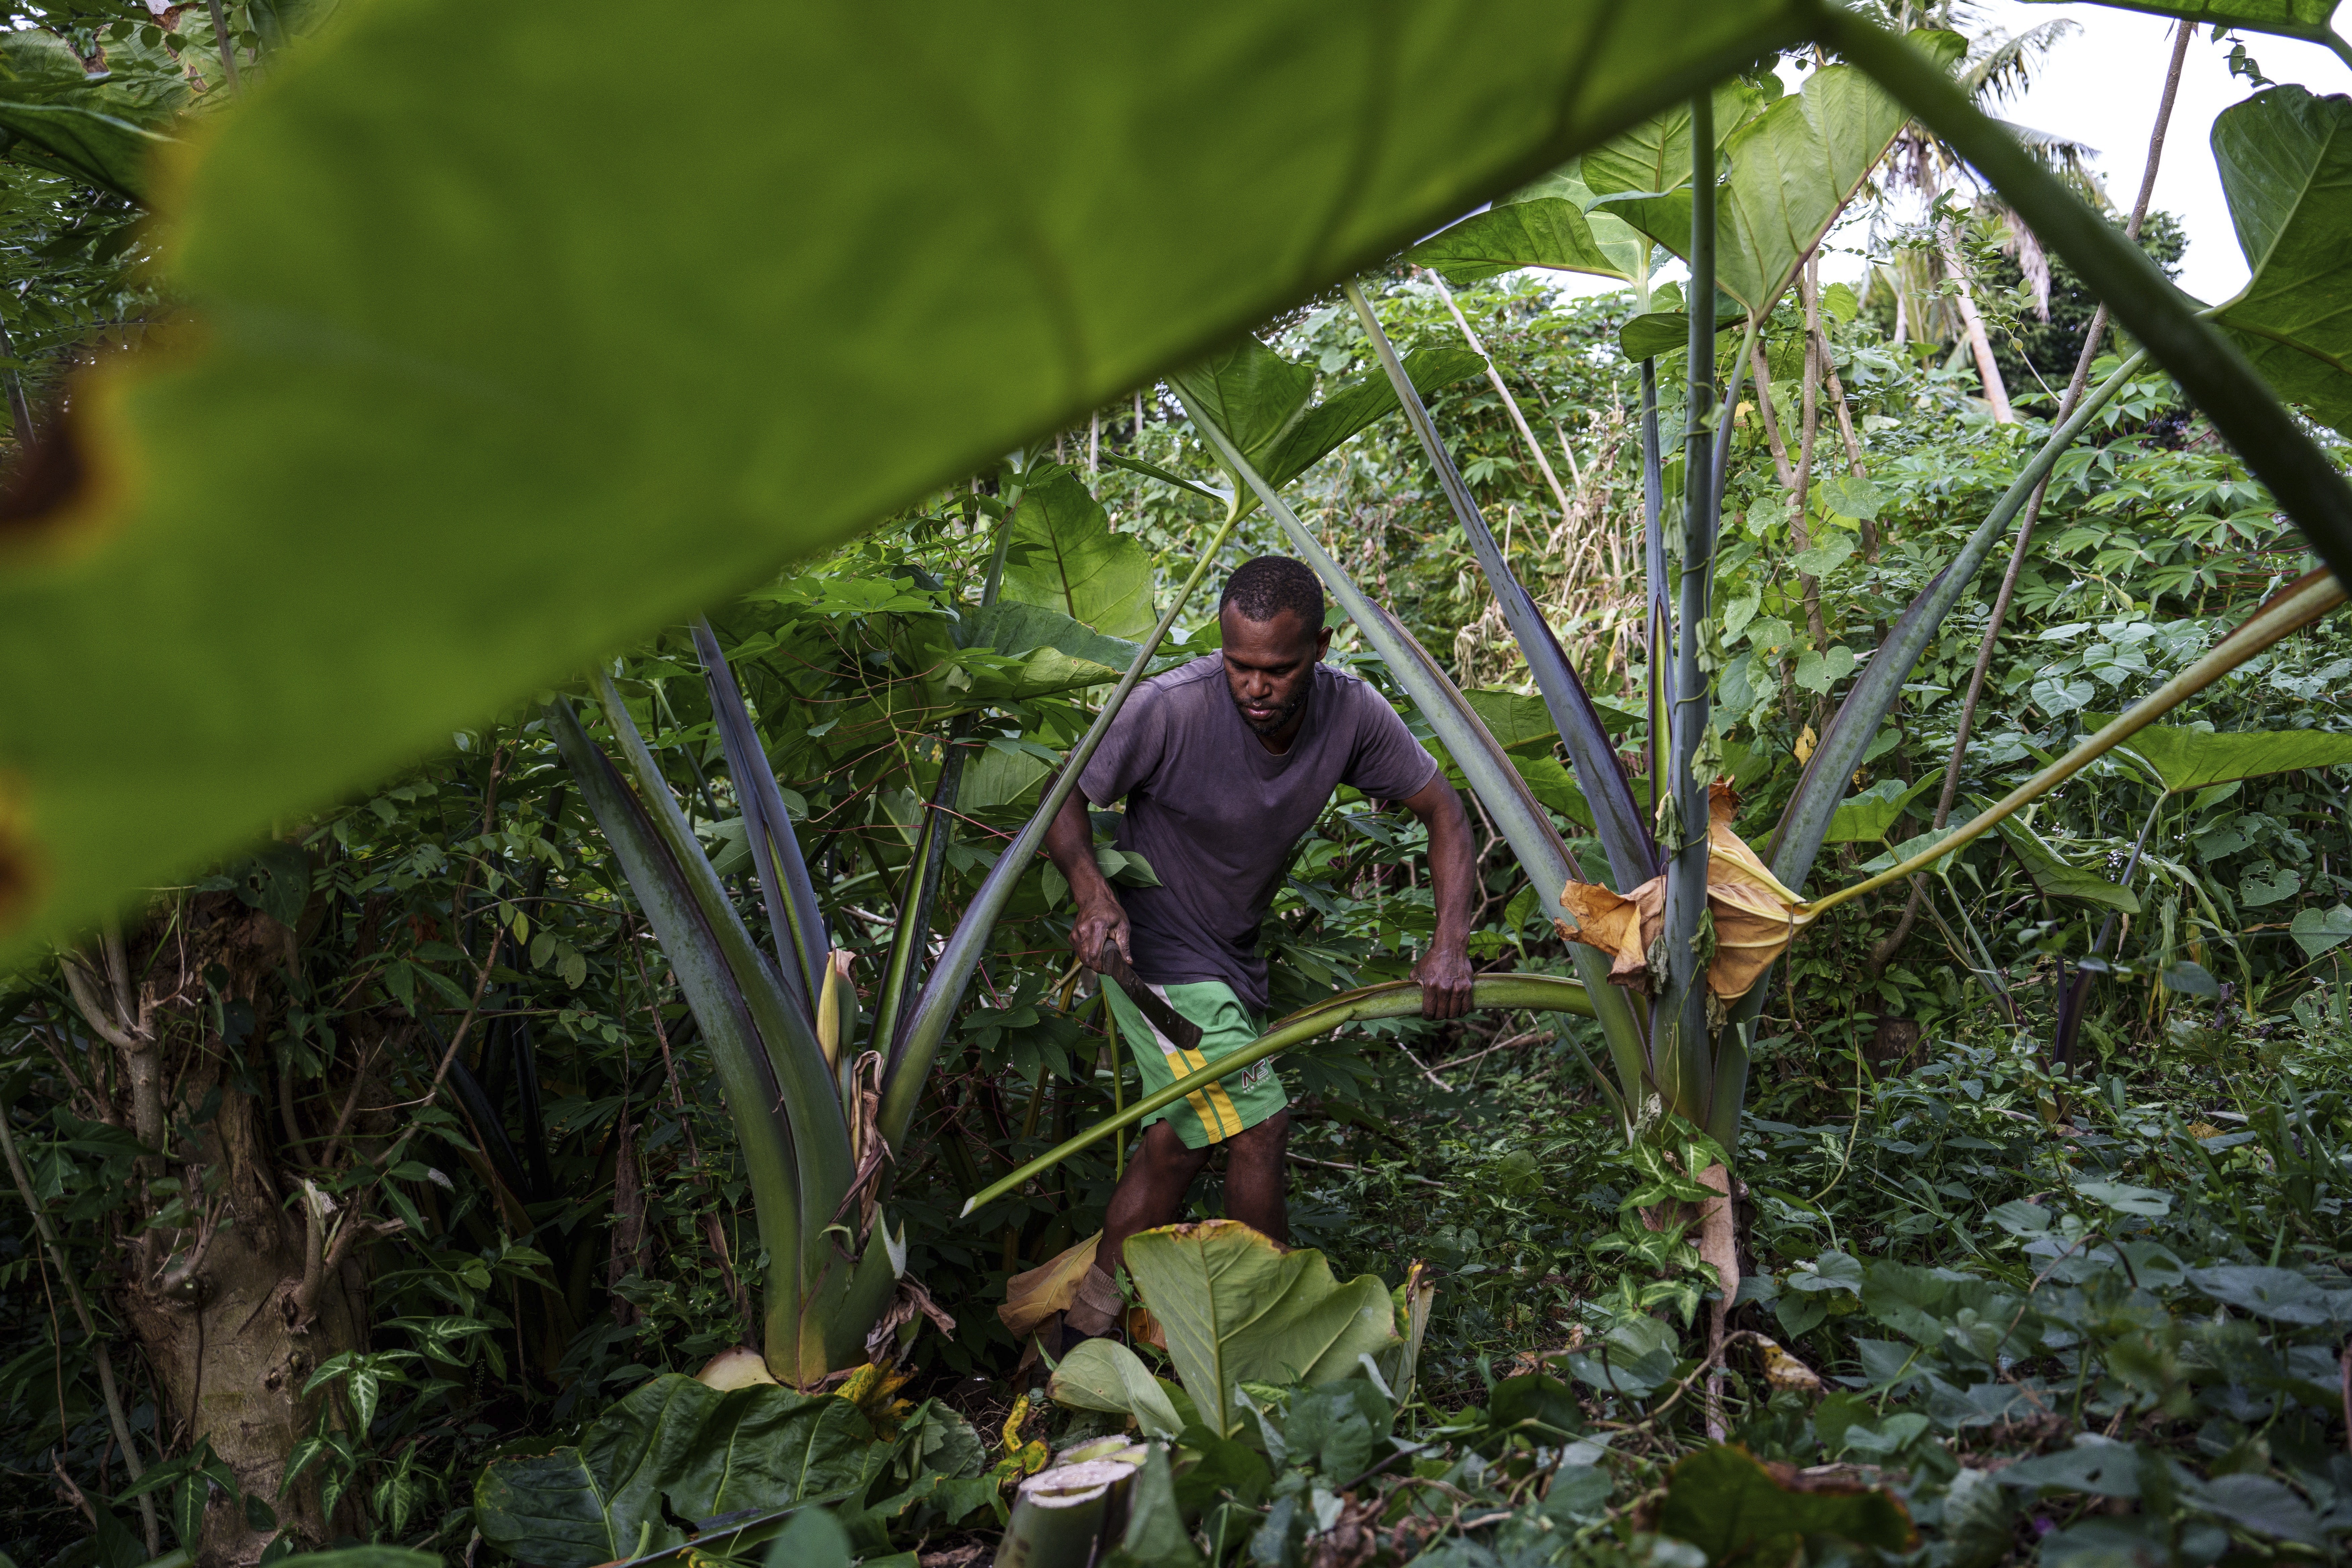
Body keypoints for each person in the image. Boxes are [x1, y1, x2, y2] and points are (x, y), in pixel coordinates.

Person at [1042, 553, 1476, 1343]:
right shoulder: (1169, 708)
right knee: (1258, 1125)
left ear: (1321, 646)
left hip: (1232, 959)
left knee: (1178, 1146)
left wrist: (1450, 943)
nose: (1255, 686)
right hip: (1154, 961)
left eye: (1276, 668)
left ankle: (1085, 1329)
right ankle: (1267, 1346)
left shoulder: (1351, 713)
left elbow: (1444, 810)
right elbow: (1062, 798)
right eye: (1239, 664)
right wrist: (1090, 886)